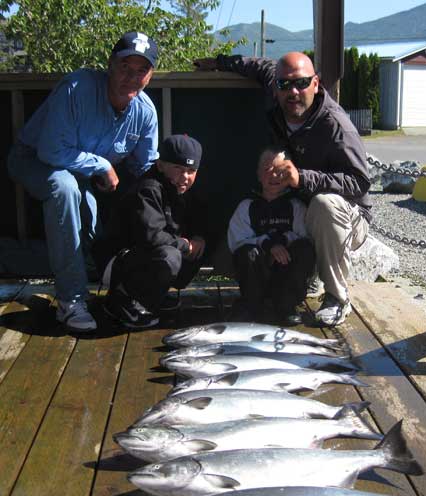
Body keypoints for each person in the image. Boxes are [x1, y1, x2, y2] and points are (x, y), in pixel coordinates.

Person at [194, 51, 371, 327]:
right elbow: (258, 66)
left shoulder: (337, 127)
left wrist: (302, 178)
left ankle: (337, 297)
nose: (294, 91)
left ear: (316, 83)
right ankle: (292, 284)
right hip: (296, 211)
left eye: (301, 83)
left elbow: (359, 183)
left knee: (324, 205)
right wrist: (220, 62)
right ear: (275, 87)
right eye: (285, 85)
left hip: (346, 217)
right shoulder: (277, 91)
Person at [7, 31, 159, 333]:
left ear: (151, 74)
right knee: (64, 189)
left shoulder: (146, 113)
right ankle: (70, 301)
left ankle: (126, 291)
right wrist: (101, 165)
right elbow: (51, 150)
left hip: (81, 176)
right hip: (34, 158)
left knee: (91, 230)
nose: (132, 77)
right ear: (109, 64)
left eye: (141, 70)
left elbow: (145, 170)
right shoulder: (77, 87)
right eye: (124, 67)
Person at [92, 134, 207, 329]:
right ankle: (120, 303)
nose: (185, 177)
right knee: (170, 256)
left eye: (191, 170)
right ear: (160, 165)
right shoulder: (149, 189)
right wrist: (186, 245)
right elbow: (152, 238)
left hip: (139, 259)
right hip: (115, 264)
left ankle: (151, 298)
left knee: (199, 244)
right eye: (178, 168)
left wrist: (198, 239)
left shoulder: (183, 191)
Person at [227, 147, 315, 326]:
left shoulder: (296, 206)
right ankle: (252, 305)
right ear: (258, 175)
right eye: (267, 170)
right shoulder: (246, 206)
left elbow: (305, 236)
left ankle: (286, 305)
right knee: (247, 252)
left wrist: (282, 241)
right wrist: (268, 245)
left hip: (285, 274)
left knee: (305, 249)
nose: (274, 175)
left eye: (280, 170)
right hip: (258, 273)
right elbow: (236, 241)